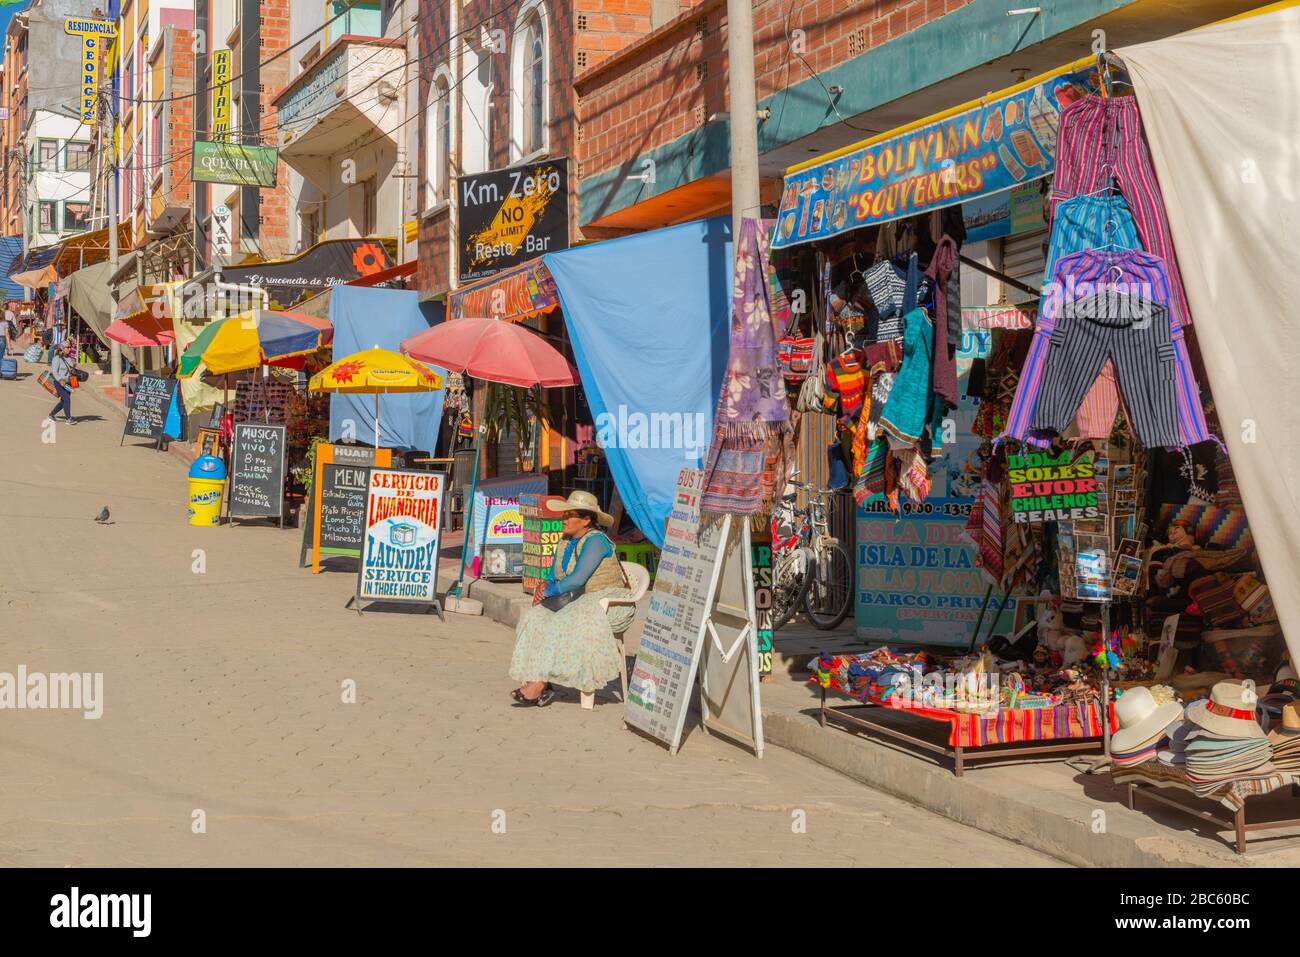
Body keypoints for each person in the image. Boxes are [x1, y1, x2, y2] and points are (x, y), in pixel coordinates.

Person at [509, 490, 635, 707]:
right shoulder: (566, 541)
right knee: (535, 617)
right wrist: (544, 586)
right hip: (581, 600)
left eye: (571, 515)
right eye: (564, 514)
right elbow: (554, 574)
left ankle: (539, 684)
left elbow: (578, 578)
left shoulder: (596, 541)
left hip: (609, 601)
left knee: (559, 623)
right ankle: (540, 681)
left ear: (586, 520)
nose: (564, 519)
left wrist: (549, 592)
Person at [47, 341, 77, 424]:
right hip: (59, 382)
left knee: (63, 401)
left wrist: (73, 366)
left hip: (68, 383)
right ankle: (68, 418)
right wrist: (60, 380)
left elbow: (70, 369)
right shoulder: (57, 358)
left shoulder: (69, 358)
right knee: (67, 399)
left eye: (70, 347)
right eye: (67, 347)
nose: (69, 349)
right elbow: (54, 372)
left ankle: (51, 415)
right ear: (62, 348)